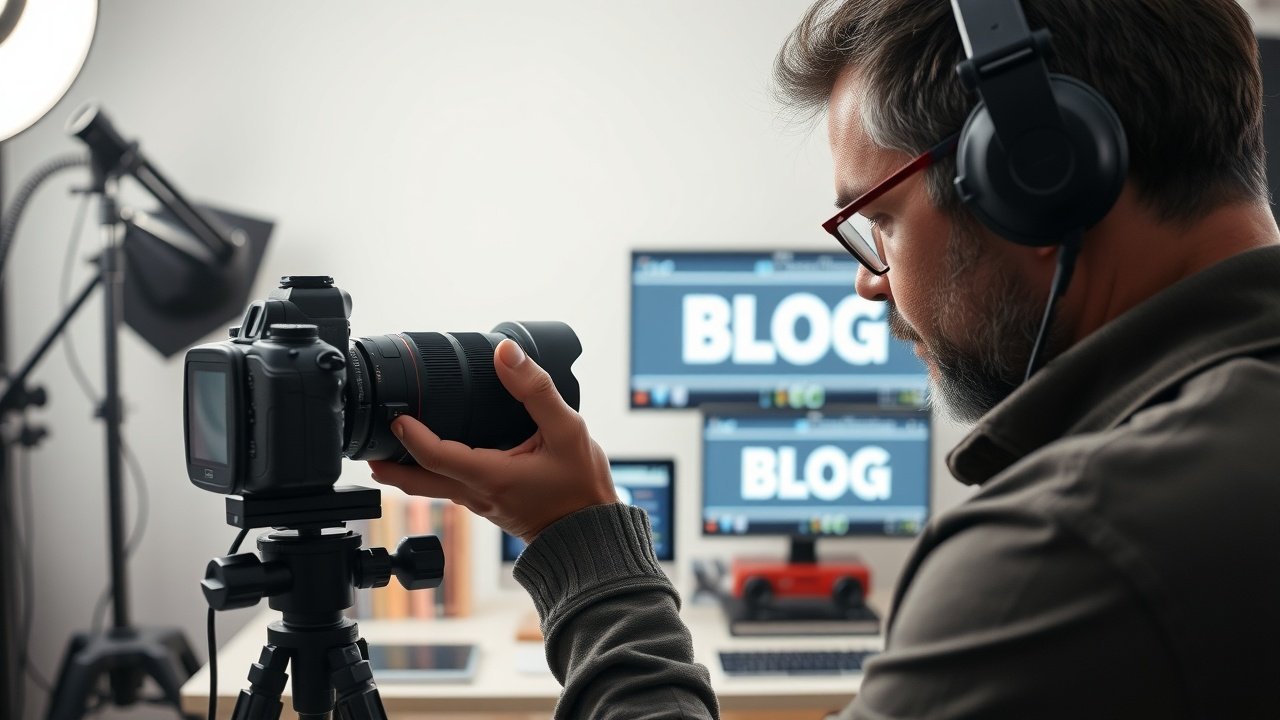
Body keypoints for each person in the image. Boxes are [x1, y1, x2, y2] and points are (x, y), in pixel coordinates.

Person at [369, 0, 1280, 717]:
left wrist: (582, 543)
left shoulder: (1069, 552)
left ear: (1036, 177)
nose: (871, 285)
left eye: (878, 221)